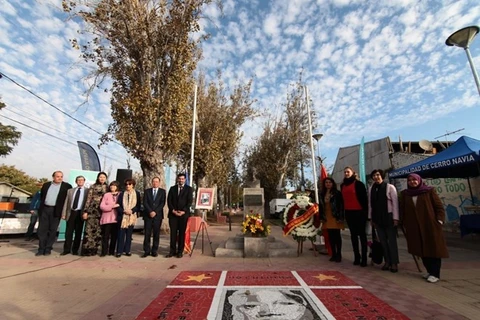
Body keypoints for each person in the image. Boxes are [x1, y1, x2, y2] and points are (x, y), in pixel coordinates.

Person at [400, 173, 449, 283]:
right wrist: (403, 222)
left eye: (414, 180)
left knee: (434, 249)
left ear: (419, 180)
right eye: (410, 180)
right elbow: (402, 210)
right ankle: (429, 271)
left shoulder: (428, 191)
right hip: (415, 227)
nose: (412, 182)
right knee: (421, 249)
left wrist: (439, 221)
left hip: (430, 225)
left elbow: (439, 207)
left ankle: (435, 273)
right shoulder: (405, 194)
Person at [368, 169, 399, 273]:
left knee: (392, 242)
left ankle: (394, 263)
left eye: (378, 175)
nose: (376, 177)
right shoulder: (371, 188)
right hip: (377, 218)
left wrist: (396, 218)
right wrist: (371, 218)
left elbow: (395, 203)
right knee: (383, 242)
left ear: (382, 176)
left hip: (389, 217)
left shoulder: (390, 187)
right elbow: (370, 205)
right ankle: (387, 261)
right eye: (374, 176)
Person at [36, 171, 72, 256]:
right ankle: (41, 249)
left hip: (56, 211)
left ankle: (48, 248)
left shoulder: (66, 186)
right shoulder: (46, 185)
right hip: (45, 209)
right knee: (42, 230)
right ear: (53, 177)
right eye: (58, 176)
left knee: (52, 230)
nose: (60, 178)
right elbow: (42, 197)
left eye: (61, 176)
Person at [340, 166, 368, 267]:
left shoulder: (359, 184)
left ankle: (364, 258)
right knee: (353, 236)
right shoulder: (342, 185)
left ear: (353, 173)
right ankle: (357, 256)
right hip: (349, 213)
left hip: (360, 213)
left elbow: (364, 200)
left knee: (362, 236)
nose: (346, 173)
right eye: (345, 172)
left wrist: (365, 213)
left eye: (348, 172)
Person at [226, 289, 315, 320]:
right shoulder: (297, 309)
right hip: (270, 305)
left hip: (271, 307)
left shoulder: (295, 312)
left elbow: (276, 316)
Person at [81, 172, 108, 256]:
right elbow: (88, 199)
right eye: (100, 177)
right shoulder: (93, 186)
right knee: (89, 231)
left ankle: (95, 249)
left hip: (102, 211)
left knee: (98, 232)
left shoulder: (108, 188)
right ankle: (86, 250)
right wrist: (85, 211)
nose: (102, 178)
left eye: (104, 177)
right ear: (98, 178)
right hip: (92, 210)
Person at [166, 173, 193, 258]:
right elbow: (169, 201)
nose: (181, 180)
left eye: (182, 179)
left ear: (185, 179)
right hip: (173, 215)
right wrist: (173, 210)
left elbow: (189, 202)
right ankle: (172, 251)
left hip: (183, 215)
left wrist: (183, 211)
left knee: (182, 233)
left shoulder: (189, 189)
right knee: (173, 234)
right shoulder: (172, 188)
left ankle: (180, 251)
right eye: (180, 179)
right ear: (177, 179)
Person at [60, 176, 89, 256]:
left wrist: (86, 213)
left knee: (78, 233)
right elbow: (66, 202)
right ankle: (66, 250)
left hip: (80, 213)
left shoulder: (87, 191)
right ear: (76, 181)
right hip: (71, 213)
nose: (80, 181)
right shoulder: (70, 191)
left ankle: (75, 250)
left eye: (82, 180)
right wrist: (63, 214)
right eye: (78, 180)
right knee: (68, 233)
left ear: (84, 181)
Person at [319, 177, 345, 262]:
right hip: (327, 216)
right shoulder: (322, 194)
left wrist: (340, 217)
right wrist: (321, 217)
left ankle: (339, 254)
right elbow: (321, 207)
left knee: (337, 236)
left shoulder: (337, 193)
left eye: (330, 182)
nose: (328, 184)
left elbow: (341, 206)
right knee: (331, 237)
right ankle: (333, 254)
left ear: (333, 183)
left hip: (335, 216)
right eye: (326, 182)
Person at [116, 178, 141, 258]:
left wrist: (132, 211)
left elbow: (138, 206)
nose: (128, 186)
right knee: (121, 234)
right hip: (122, 217)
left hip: (131, 217)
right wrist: (123, 211)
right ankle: (119, 251)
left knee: (129, 235)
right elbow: (118, 205)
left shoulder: (137, 193)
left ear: (133, 185)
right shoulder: (122, 193)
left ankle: (127, 250)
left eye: (129, 184)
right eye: (126, 184)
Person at [142, 177, 166, 258]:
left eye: (157, 182)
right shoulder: (147, 191)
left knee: (156, 234)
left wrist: (155, 212)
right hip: (148, 216)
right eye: (154, 181)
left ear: (159, 183)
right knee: (147, 234)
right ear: (152, 182)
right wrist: (150, 211)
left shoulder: (162, 192)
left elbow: (162, 203)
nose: (155, 183)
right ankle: (146, 251)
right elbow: (145, 202)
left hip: (157, 216)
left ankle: (154, 251)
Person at [99, 181, 120, 257]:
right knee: (105, 236)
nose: (112, 187)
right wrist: (112, 206)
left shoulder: (120, 195)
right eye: (111, 186)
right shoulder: (106, 195)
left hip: (116, 219)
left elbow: (121, 205)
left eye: (114, 186)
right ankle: (104, 251)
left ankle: (111, 251)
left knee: (114, 236)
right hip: (107, 219)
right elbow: (102, 206)